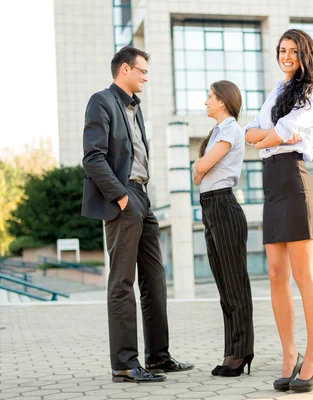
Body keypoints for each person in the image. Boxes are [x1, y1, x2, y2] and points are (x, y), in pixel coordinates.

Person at [81, 46, 193, 382]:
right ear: (126, 69)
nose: (146, 77)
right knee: (122, 283)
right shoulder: (101, 101)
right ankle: (124, 365)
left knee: (154, 280)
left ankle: (158, 357)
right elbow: (93, 158)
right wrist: (121, 198)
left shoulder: (135, 108)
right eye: (143, 71)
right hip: (124, 198)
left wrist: (137, 199)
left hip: (142, 196)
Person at [244, 29, 313, 392]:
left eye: (293, 50)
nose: (286, 56)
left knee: (303, 274)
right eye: (282, 50)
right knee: (276, 273)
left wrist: (270, 136)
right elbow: (253, 133)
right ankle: (288, 354)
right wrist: (269, 136)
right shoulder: (278, 90)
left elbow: (283, 132)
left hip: (294, 179)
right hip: (271, 183)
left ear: (305, 54)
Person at [191, 80, 254, 377]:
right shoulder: (217, 131)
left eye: (209, 96)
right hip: (210, 206)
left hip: (224, 206)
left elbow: (202, 167)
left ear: (222, 101)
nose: (206, 101)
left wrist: (200, 165)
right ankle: (231, 351)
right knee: (224, 288)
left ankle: (241, 353)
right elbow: (197, 174)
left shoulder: (230, 128)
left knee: (235, 285)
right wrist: (200, 166)